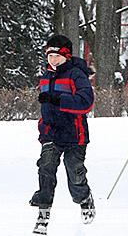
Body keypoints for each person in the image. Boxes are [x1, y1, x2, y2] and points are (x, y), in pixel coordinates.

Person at [29, 35, 96, 234]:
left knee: (74, 172)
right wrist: (43, 128)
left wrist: (58, 99)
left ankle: (84, 198)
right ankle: (43, 214)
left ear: (66, 55)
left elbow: (86, 102)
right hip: (51, 133)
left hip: (75, 135)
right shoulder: (46, 77)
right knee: (46, 168)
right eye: (49, 55)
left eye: (57, 55)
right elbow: (46, 109)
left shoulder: (76, 75)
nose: (53, 59)